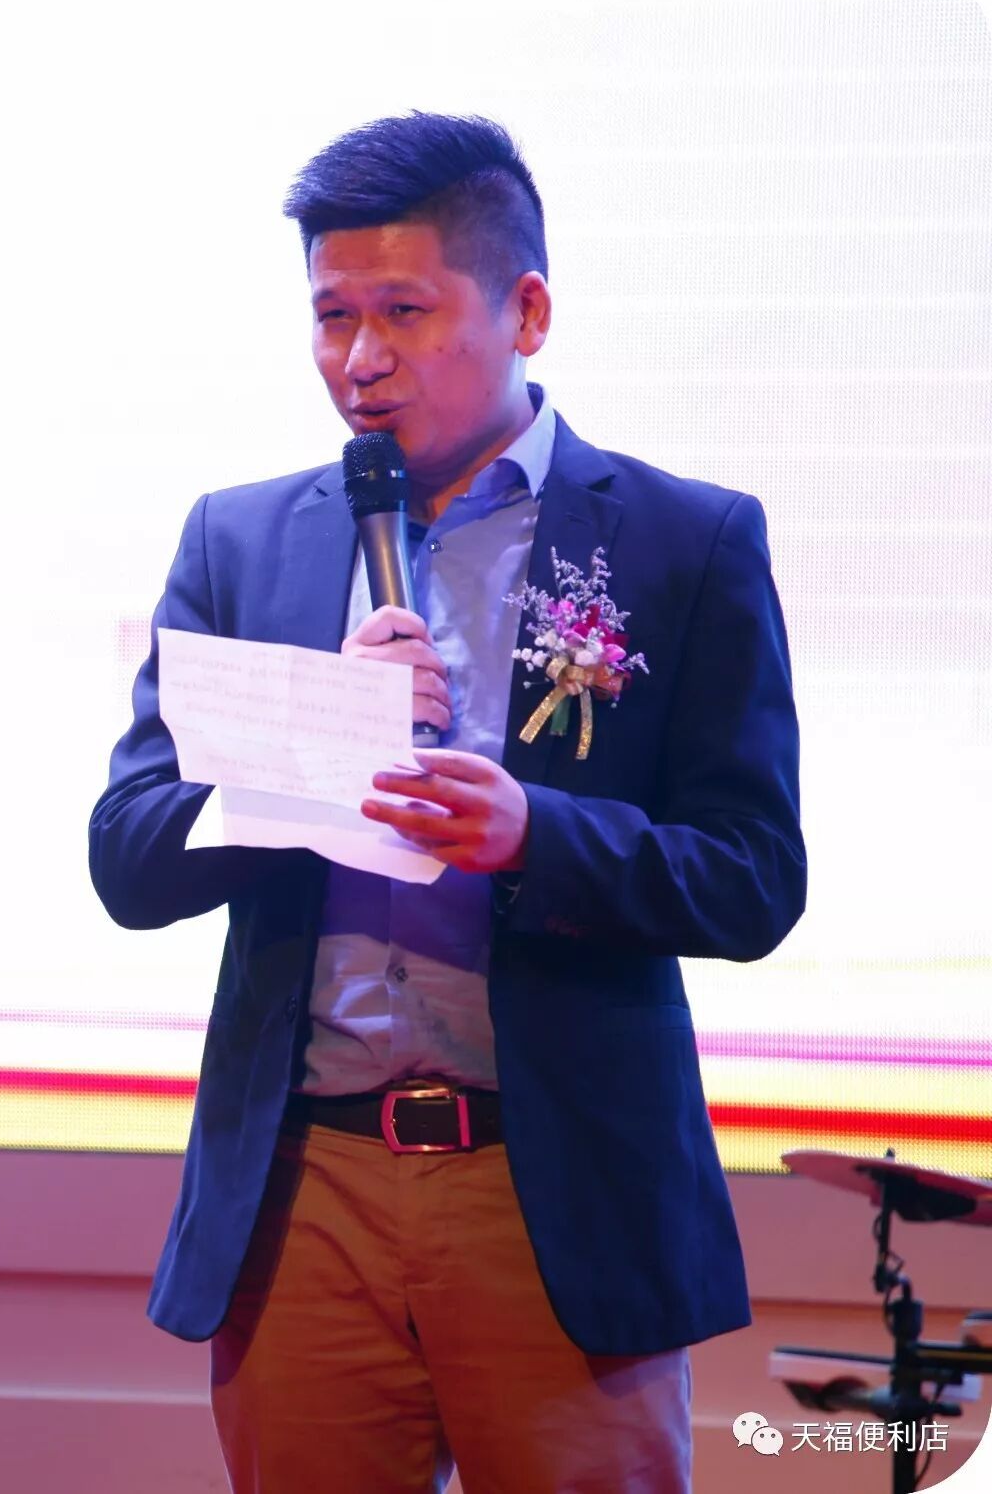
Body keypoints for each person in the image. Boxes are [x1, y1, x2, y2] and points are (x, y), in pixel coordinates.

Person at [89, 112, 805, 1494]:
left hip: (550, 1194)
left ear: (525, 310)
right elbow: (128, 856)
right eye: (332, 317)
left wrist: (535, 834)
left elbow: (754, 875)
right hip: (306, 1189)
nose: (360, 359)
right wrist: (309, 753)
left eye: (404, 312)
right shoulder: (241, 539)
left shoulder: (684, 538)